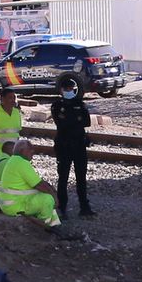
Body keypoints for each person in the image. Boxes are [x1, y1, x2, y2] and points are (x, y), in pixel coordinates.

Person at [49, 82, 94, 218]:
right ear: (61, 90)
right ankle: (62, 207)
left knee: (81, 177)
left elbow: (86, 121)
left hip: (79, 144)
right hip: (64, 145)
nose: (69, 91)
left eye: (71, 89)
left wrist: (71, 120)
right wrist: (75, 119)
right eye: (66, 89)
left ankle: (84, 207)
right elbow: (61, 123)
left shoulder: (80, 103)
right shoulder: (57, 105)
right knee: (63, 178)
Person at [0, 140, 61, 231]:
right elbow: (39, 185)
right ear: (22, 151)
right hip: (14, 205)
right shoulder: (21, 163)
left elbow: (38, 182)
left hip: (11, 202)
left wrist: (50, 188)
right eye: (30, 149)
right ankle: (47, 227)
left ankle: (55, 224)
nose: (33, 151)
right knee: (47, 199)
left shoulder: (15, 160)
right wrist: (54, 196)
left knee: (45, 195)